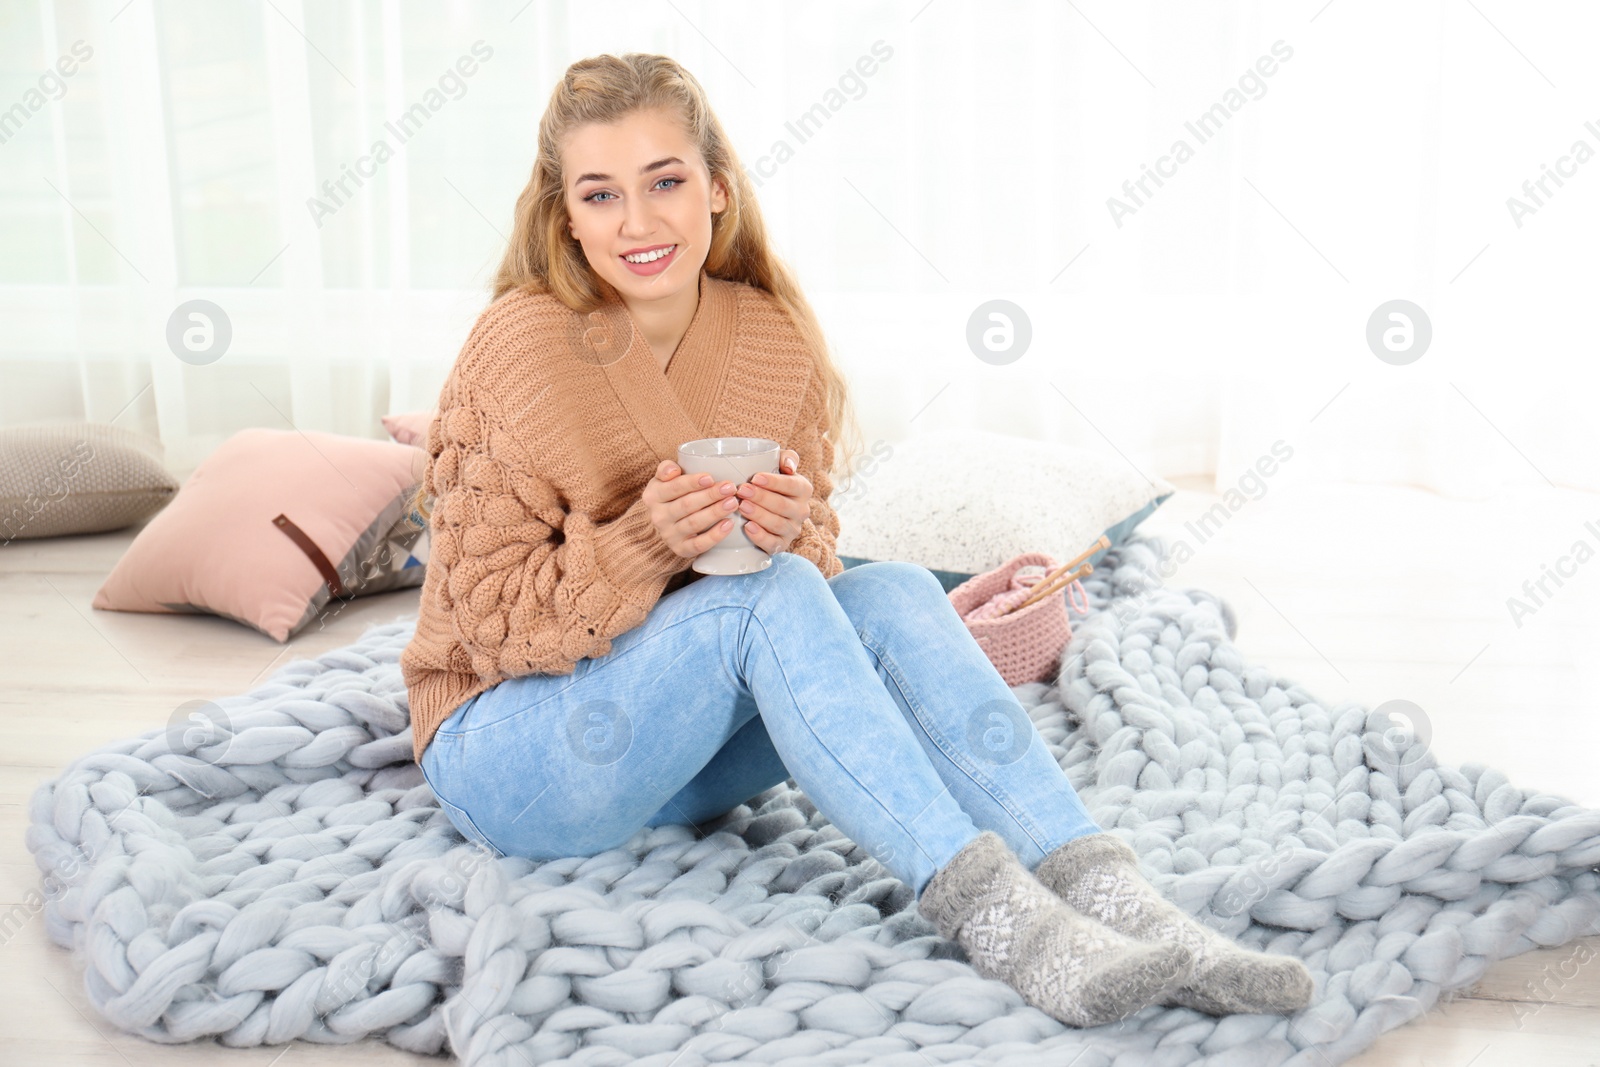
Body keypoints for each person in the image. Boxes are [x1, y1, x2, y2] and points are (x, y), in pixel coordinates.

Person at [398, 52, 1313, 1029]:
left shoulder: (771, 337)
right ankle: (1003, 923)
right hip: (513, 752)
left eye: (664, 180)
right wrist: (639, 544)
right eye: (600, 193)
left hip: (676, 754)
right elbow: (485, 624)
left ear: (715, 185)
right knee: (768, 599)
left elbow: (812, 603)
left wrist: (796, 535)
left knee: (892, 593)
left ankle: (1119, 898)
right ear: (565, 214)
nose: (637, 220)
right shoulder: (522, 344)